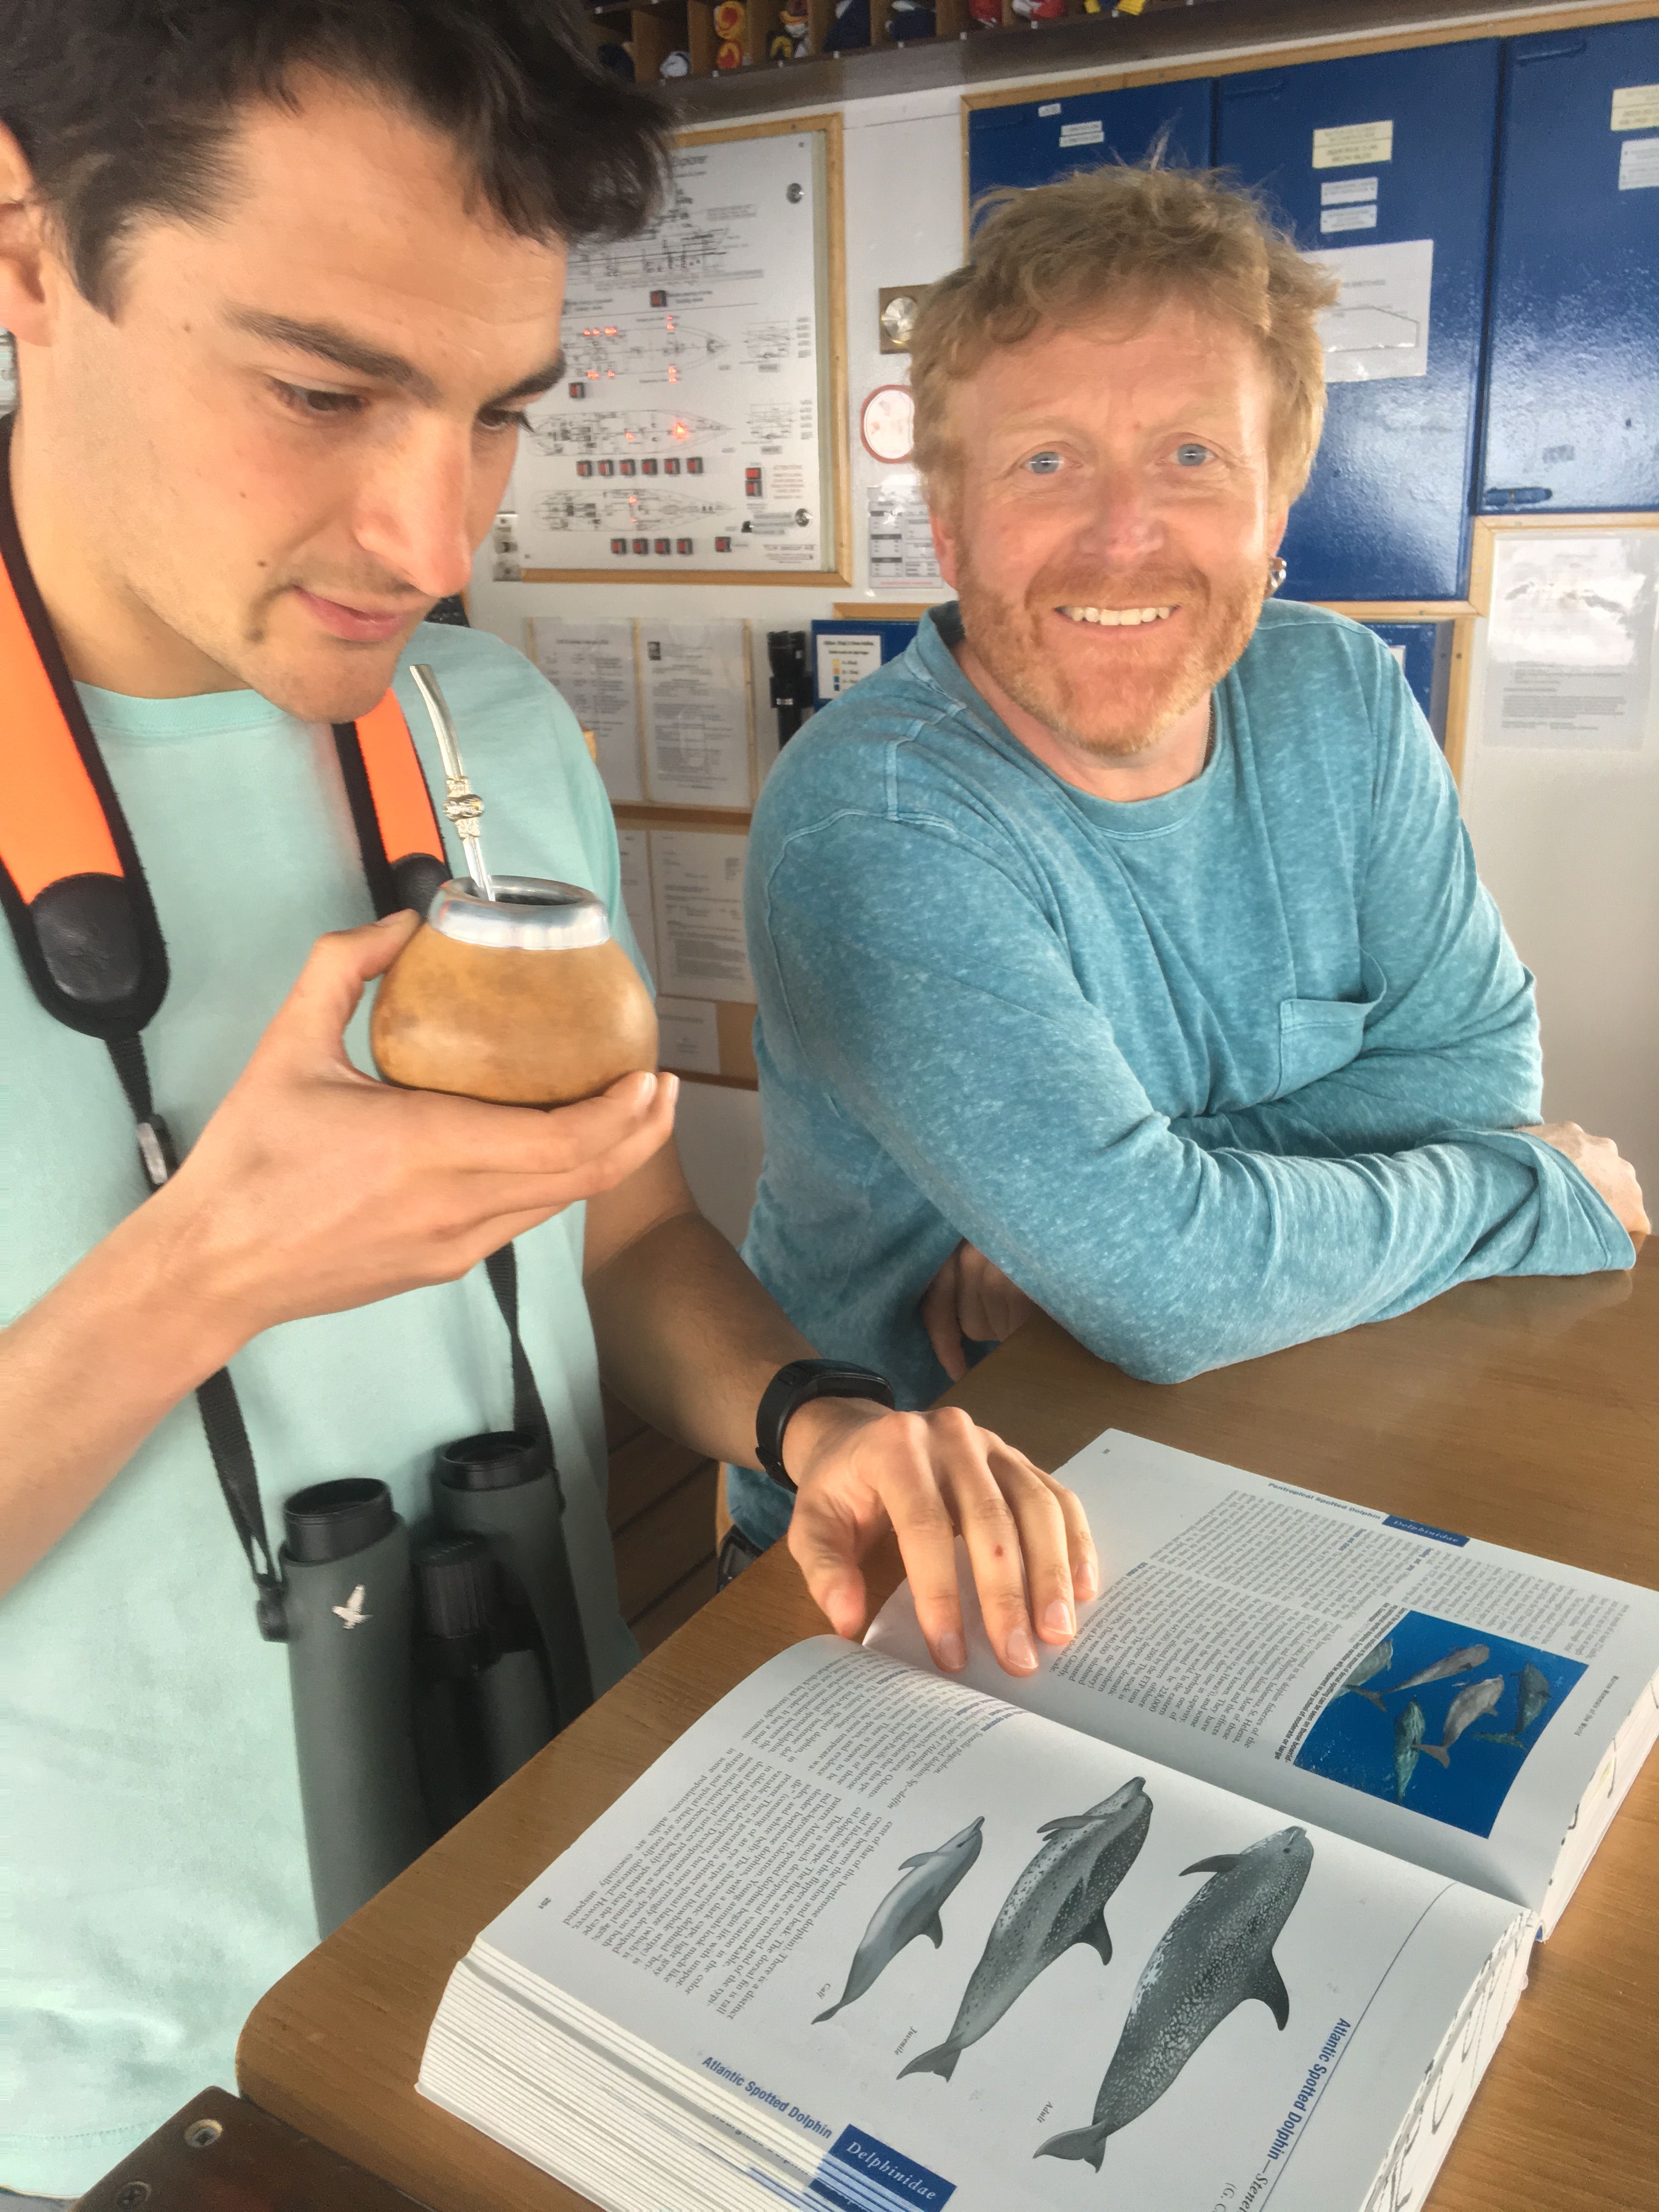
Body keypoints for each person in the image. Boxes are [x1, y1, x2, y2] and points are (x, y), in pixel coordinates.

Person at [0, 5, 1096, 2192]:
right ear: (27, 254)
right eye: (320, 389)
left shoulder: (482, 727)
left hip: (566, 1931)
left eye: (500, 409)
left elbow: (620, 1234)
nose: (431, 537)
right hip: (125, 2102)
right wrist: (197, 1275)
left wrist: (810, 1419)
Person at [729, 162, 1647, 1560]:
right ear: (951, 522)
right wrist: (1533, 1188)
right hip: (906, 1545)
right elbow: (1164, 1290)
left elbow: (1476, 1075)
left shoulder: (1342, 694)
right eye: (1046, 461)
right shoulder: (874, 819)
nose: (1123, 537)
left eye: (1192, 458)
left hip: (1271, 1422)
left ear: (1275, 508)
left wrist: (1132, 1214)